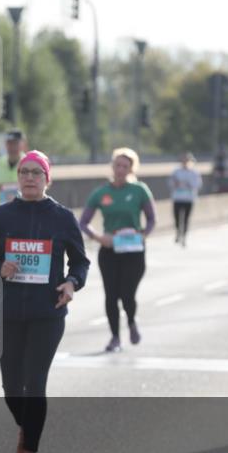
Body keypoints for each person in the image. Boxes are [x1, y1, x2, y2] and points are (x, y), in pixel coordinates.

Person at [0, 150, 89, 453]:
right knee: (12, 389)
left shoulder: (62, 217)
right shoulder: (1, 216)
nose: (29, 177)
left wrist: (72, 283)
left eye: (36, 173)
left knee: (35, 384)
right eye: (24, 172)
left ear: (47, 179)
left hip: (47, 313)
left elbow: (80, 262)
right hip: (8, 313)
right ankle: (28, 430)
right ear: (18, 178)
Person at [78, 148, 157, 353]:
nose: (121, 169)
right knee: (111, 295)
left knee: (127, 294)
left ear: (131, 169)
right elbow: (83, 222)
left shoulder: (139, 190)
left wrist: (143, 235)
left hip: (133, 250)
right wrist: (99, 237)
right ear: (112, 167)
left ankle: (131, 321)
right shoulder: (101, 192)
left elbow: (151, 219)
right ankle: (115, 337)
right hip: (110, 250)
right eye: (118, 165)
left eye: (125, 166)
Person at [0, 129, 26, 212]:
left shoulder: (29, 163)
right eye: (10, 143)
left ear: (23, 144)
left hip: (23, 212)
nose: (12, 147)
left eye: (15, 143)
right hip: (0, 212)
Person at [168, 152, 203, 247]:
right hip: (178, 198)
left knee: (186, 219)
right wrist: (176, 183)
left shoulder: (194, 172)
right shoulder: (176, 172)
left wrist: (188, 184)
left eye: (186, 160)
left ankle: (184, 236)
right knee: (176, 218)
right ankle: (178, 232)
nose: (185, 162)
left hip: (189, 199)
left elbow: (198, 184)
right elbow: (170, 183)